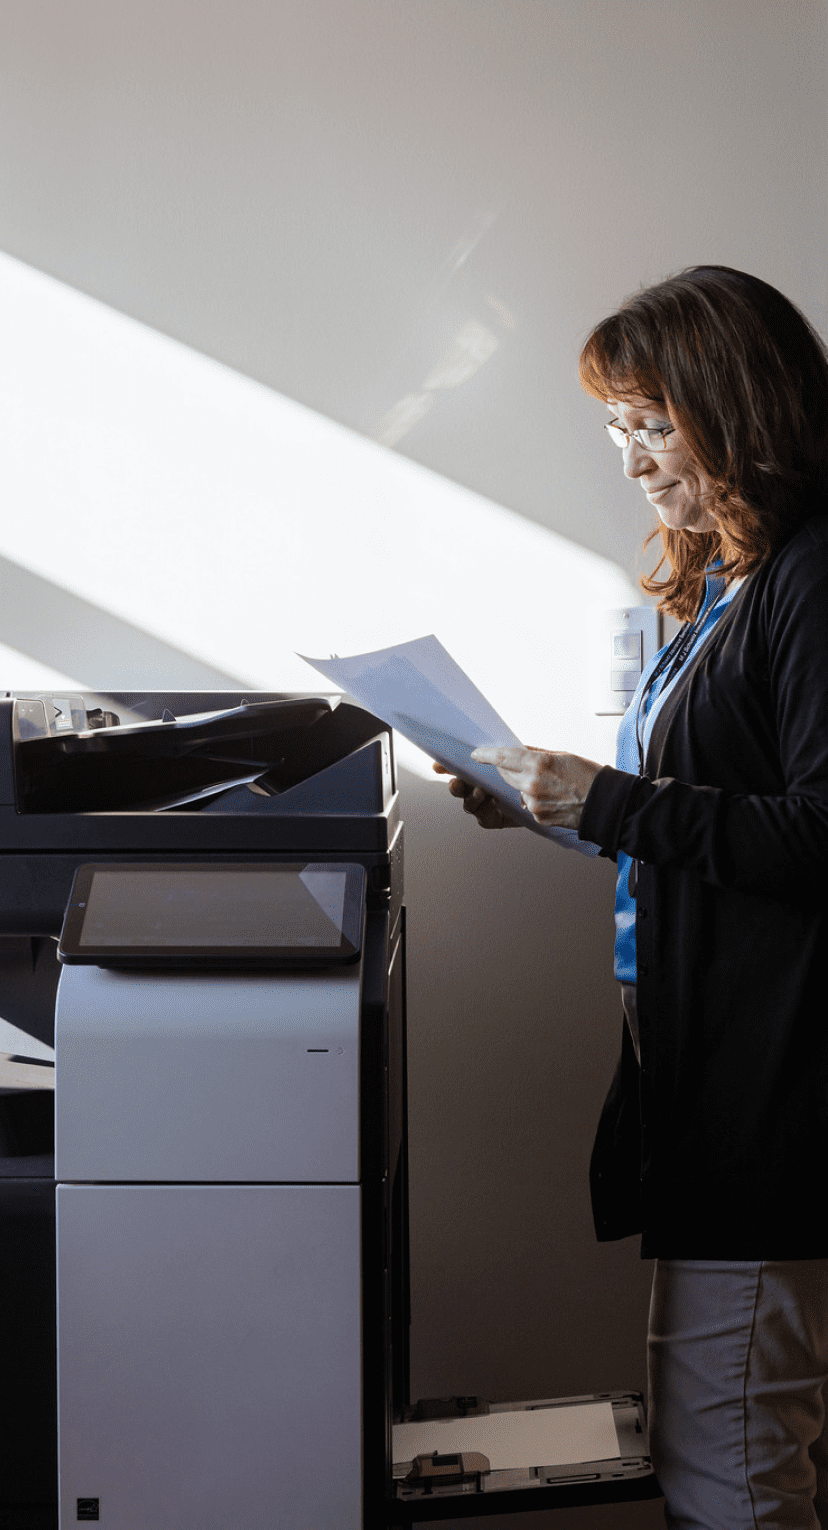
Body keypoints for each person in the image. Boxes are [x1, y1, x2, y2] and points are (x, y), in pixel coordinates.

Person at [436, 265, 828, 1530]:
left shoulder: (815, 580)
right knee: (720, 1434)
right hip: (700, 1066)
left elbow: (818, 833)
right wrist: (552, 812)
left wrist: (602, 802)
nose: (633, 461)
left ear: (738, 407)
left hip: (773, 1077)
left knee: (736, 1460)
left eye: (653, 425)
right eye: (619, 430)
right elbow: (709, 828)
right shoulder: (724, 580)